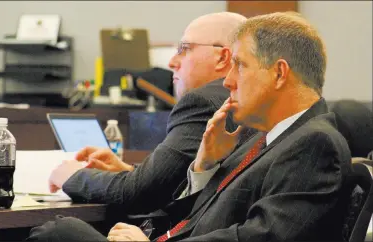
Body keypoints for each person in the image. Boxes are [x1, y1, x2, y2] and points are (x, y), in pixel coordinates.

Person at [28, 12, 352, 242]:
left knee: (58, 232)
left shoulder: (314, 144)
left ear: (279, 74)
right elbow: (200, 218)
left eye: (240, 66)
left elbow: (259, 237)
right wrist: (204, 166)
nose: (227, 81)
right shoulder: (272, 138)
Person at [47, 12, 252, 216]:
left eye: (184, 49)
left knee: (54, 230)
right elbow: (180, 184)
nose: (172, 62)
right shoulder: (246, 99)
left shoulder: (203, 102)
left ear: (222, 57)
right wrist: (130, 172)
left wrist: (73, 176)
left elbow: (137, 195)